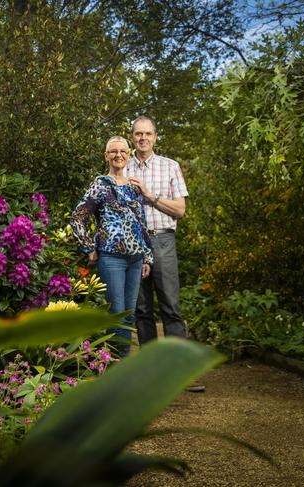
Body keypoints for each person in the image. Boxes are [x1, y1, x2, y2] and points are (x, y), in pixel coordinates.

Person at [126, 116, 204, 392]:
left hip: (163, 242)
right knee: (142, 309)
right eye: (138, 134)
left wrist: (149, 196)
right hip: (133, 244)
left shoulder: (170, 166)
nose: (143, 138)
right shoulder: (123, 166)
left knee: (171, 305)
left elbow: (180, 210)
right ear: (132, 136)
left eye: (148, 133)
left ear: (156, 137)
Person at [70, 136, 153, 357]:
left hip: (135, 259)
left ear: (129, 155)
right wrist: (89, 247)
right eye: (113, 151)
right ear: (106, 156)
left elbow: (141, 224)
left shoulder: (134, 188)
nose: (118, 155)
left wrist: (147, 257)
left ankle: (119, 363)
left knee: (129, 314)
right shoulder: (100, 185)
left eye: (123, 151)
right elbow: (77, 217)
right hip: (111, 258)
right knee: (117, 313)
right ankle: (116, 366)